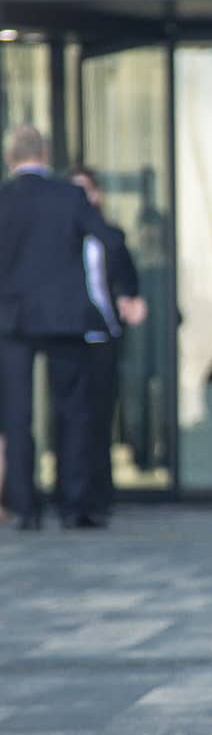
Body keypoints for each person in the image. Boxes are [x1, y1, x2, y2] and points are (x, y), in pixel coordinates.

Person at [0, 125, 137, 528]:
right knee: (72, 411)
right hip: (65, 316)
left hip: (11, 319)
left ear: (10, 158)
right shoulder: (70, 195)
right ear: (43, 155)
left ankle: (25, 508)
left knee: (17, 415)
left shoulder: (4, 199)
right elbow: (109, 241)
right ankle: (73, 504)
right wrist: (127, 289)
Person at [66, 165, 147, 519]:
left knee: (100, 417)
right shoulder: (58, 237)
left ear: (98, 195)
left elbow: (128, 279)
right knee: (71, 417)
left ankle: (100, 494)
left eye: (87, 190)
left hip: (105, 333)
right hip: (67, 336)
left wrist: (131, 298)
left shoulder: (111, 235)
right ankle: (71, 494)